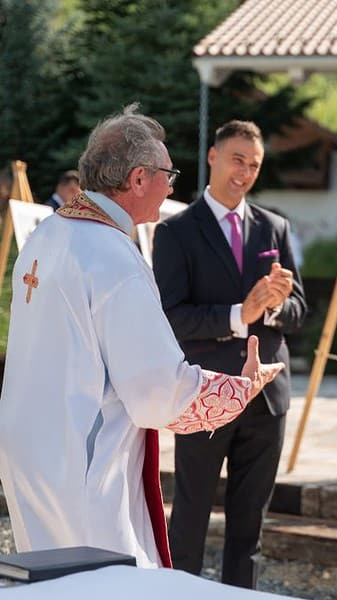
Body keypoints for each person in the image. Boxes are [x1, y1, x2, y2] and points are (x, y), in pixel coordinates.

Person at [0, 105, 284, 570]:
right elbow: (156, 391)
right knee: (101, 581)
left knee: (49, 578)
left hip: (30, 444)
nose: (172, 187)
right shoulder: (112, 255)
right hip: (84, 459)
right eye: (167, 175)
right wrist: (239, 389)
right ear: (137, 179)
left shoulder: (47, 235)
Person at [152, 120, 306, 589]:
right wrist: (242, 312)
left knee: (250, 526)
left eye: (254, 164)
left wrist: (277, 305)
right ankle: (180, 595)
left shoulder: (274, 226)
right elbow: (171, 316)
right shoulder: (176, 232)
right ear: (213, 157)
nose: (245, 172)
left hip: (267, 397)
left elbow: (299, 310)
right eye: (237, 159)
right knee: (191, 517)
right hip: (205, 394)